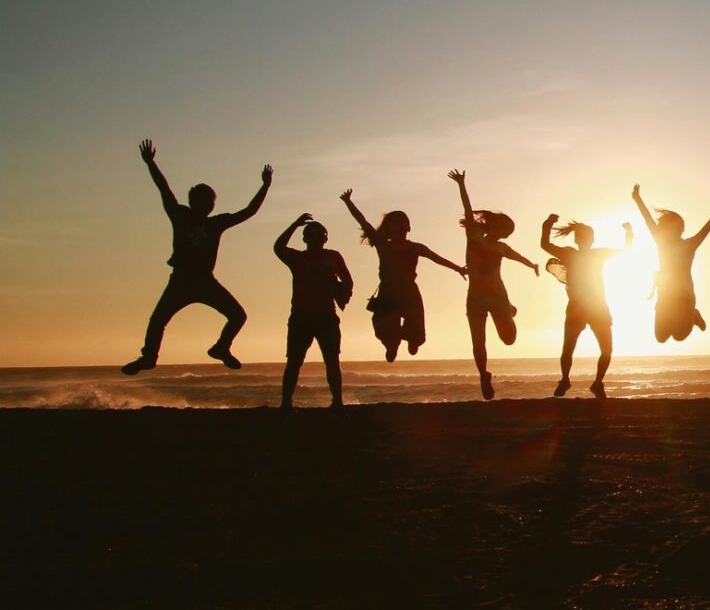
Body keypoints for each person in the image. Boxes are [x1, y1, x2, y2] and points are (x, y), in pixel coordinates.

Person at [122, 140, 271, 375]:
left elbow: (249, 211)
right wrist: (151, 164)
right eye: (202, 201)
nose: (206, 206)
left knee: (237, 315)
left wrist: (265, 186)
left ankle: (221, 348)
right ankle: (149, 357)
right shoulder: (180, 215)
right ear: (193, 202)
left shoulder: (215, 223)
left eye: (209, 202)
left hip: (204, 281)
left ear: (212, 205)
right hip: (181, 280)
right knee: (158, 320)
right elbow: (164, 189)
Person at [339, 189, 466, 362]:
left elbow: (437, 259)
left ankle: (412, 341)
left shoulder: (415, 247)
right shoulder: (383, 245)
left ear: (408, 228)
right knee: (385, 329)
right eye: (395, 224)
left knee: (417, 333)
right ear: (388, 229)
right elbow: (363, 222)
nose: (399, 227)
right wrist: (348, 202)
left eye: (402, 223)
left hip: (409, 293)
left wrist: (458, 268)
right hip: (388, 293)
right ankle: (392, 345)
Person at [448, 169, 539, 400]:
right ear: (493, 226)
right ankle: (483, 376)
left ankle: (510, 309)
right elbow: (468, 211)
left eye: (507, 233)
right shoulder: (474, 237)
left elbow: (518, 256)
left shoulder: (501, 248)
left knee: (509, 339)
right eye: (503, 230)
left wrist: (532, 266)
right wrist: (461, 184)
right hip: (475, 298)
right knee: (478, 343)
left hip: (498, 297)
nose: (505, 235)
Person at [541, 214, 632, 398]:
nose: (585, 240)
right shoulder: (571, 254)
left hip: (597, 306)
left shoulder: (595, 254)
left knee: (605, 349)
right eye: (582, 237)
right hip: (580, 307)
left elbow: (626, 249)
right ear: (580, 239)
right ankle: (566, 380)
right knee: (570, 348)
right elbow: (545, 245)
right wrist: (547, 224)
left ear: (591, 239)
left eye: (587, 237)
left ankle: (596, 384)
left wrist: (629, 232)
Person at [274, 213, 353, 409]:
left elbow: (348, 280)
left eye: (320, 235)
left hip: (326, 315)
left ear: (325, 238)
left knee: (332, 360)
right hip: (301, 315)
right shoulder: (298, 258)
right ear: (305, 238)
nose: (317, 239)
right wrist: (294, 224)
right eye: (312, 235)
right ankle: (286, 404)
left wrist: (341, 292)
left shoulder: (333, 257)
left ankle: (337, 403)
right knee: (294, 362)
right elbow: (278, 247)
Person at [631, 184, 710, 343]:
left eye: (670, 228)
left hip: (684, 297)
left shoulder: (689, 245)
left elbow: (708, 227)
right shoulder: (661, 242)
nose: (664, 231)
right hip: (665, 295)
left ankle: (693, 315)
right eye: (664, 228)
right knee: (661, 337)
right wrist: (637, 199)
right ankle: (690, 316)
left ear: (680, 230)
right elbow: (648, 220)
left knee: (679, 336)